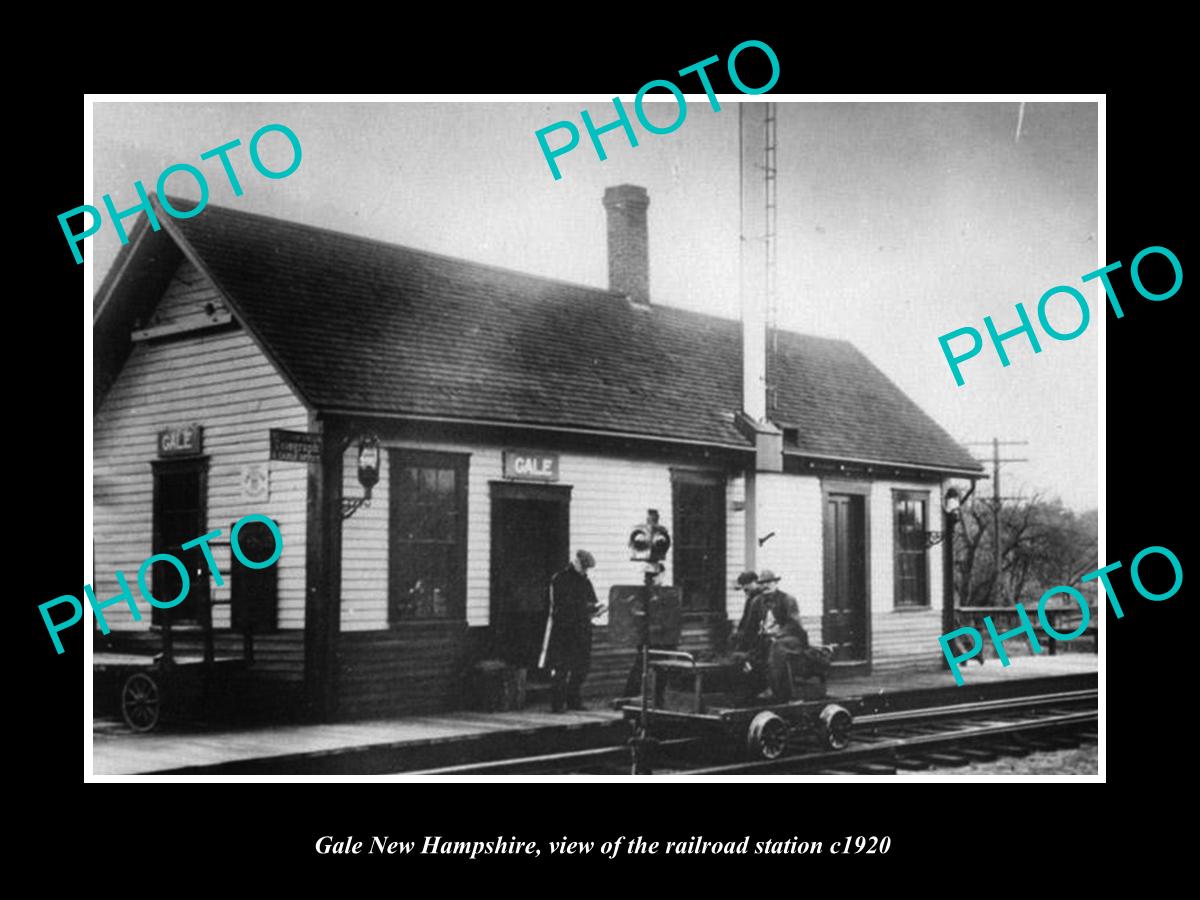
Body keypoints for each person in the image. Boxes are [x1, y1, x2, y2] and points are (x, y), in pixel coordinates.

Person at [539, 549, 605, 712]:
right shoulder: (560, 579)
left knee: (581, 667)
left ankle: (573, 701)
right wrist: (585, 608)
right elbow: (561, 606)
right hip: (564, 630)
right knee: (561, 668)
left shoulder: (585, 581)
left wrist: (596, 608)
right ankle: (557, 704)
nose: (585, 570)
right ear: (575, 562)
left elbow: (591, 601)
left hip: (582, 629)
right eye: (583, 567)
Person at [755, 569, 810, 702]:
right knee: (756, 649)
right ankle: (762, 687)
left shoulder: (787, 599)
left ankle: (783, 693)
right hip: (768, 637)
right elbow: (751, 624)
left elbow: (794, 624)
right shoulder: (758, 601)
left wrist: (778, 635)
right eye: (762, 583)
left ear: (775, 583)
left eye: (768, 582)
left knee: (777, 648)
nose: (765, 586)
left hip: (791, 638)